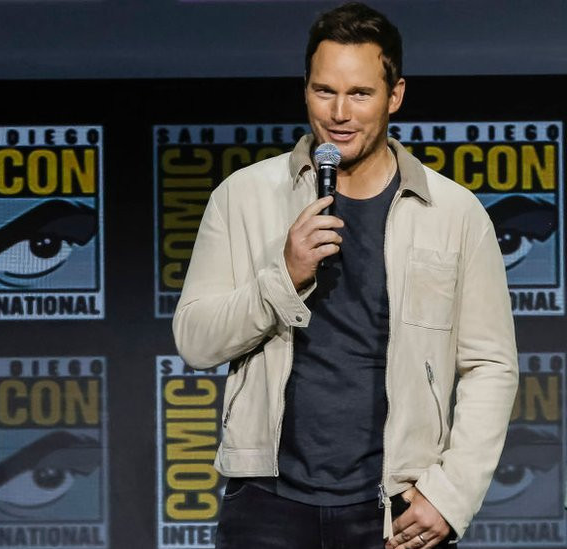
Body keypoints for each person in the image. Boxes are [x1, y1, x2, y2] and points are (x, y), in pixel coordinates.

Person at [172, 3, 518, 548]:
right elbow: (194, 340)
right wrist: (282, 275)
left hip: (395, 509)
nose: (339, 112)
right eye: (323, 90)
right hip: (267, 504)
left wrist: (451, 494)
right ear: (305, 90)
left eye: (360, 94)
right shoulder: (243, 197)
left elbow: (490, 365)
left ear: (395, 96)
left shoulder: (454, 213)